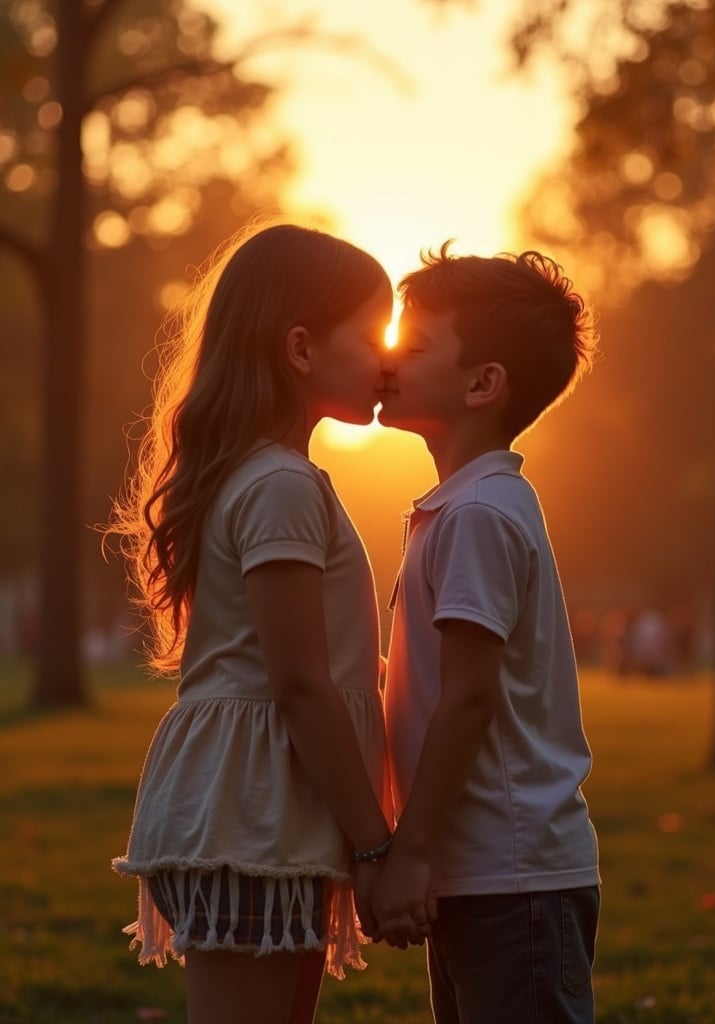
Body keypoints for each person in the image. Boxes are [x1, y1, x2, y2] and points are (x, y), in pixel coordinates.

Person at [107, 222, 402, 1024]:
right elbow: (300, 683)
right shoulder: (279, 486)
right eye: (374, 332)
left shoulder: (274, 477)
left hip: (275, 807)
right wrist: (377, 845)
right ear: (301, 347)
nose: (390, 356)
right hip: (254, 812)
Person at [372, 244, 601, 1023]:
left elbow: (468, 702)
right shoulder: (461, 508)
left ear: (482, 383)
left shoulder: (477, 515)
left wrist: (412, 853)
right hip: (484, 874)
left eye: (416, 341)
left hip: (512, 878)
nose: (389, 355)